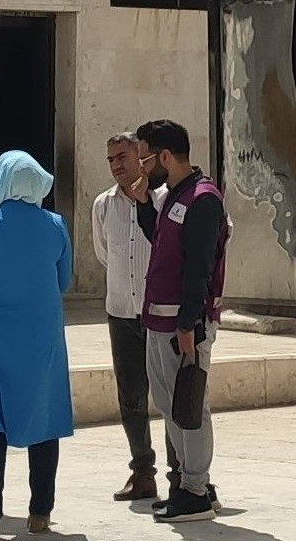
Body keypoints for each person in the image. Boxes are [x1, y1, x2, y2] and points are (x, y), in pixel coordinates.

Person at [0, 151, 75, 540]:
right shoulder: (55, 225)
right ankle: (40, 513)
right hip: (40, 340)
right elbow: (63, 281)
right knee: (45, 419)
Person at [130, 120, 227, 524]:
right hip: (159, 320)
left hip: (181, 325)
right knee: (171, 406)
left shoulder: (203, 198)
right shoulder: (173, 196)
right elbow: (166, 245)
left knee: (190, 404)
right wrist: (142, 205)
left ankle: (197, 489)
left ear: (165, 157)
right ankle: (186, 484)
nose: (141, 167)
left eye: (145, 158)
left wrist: (188, 326)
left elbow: (198, 269)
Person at [91, 133, 173, 502]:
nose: (116, 165)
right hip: (121, 312)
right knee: (131, 399)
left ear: (141, 158)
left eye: (122, 156)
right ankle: (142, 473)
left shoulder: (166, 199)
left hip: (161, 315)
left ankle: (183, 476)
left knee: (171, 397)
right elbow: (105, 254)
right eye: (110, 159)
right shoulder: (102, 205)